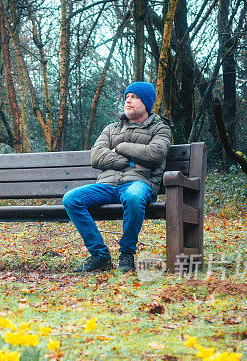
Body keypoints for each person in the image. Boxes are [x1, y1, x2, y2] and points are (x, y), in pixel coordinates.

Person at [63, 81, 171, 273]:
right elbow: (96, 157)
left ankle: (127, 254)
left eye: (134, 97)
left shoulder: (160, 128)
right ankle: (100, 256)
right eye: (127, 97)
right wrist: (130, 162)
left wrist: (120, 148)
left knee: (133, 196)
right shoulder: (111, 128)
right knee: (72, 198)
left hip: (139, 183)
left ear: (146, 103)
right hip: (107, 185)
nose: (128, 101)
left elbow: (155, 154)